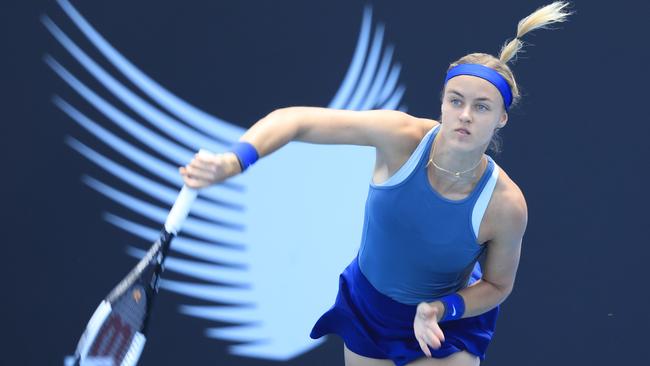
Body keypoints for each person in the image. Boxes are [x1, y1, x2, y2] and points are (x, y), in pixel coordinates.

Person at [179, 2, 572, 365]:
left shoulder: (505, 205)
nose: (465, 115)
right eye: (455, 100)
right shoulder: (400, 137)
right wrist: (234, 160)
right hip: (370, 310)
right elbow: (294, 120)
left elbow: (497, 285)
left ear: (502, 118)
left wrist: (442, 308)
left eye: (482, 107)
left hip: (444, 321)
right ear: (442, 103)